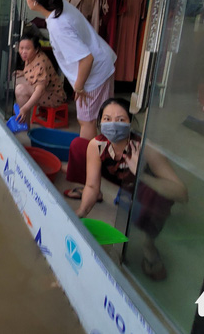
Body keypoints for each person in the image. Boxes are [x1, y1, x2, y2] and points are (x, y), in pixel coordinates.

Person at [69, 98, 188, 280]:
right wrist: (82, 212)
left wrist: (141, 174)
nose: (113, 125)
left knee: (156, 197)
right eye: (107, 119)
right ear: (100, 122)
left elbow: (181, 194)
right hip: (118, 179)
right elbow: (92, 184)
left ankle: (149, 244)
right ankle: (107, 195)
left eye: (120, 119)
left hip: (144, 189)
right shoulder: (98, 144)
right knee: (78, 146)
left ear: (130, 123)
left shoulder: (146, 148)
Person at [26, 0, 116, 139]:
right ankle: (103, 155)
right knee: (102, 118)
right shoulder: (60, 6)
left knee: (86, 120)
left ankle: (86, 160)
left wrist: (79, 87)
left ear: (35, 2)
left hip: (94, 72)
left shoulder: (58, 24)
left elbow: (87, 59)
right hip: (101, 63)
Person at [14, 32, 66, 124]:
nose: (23, 52)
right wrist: (23, 72)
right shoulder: (30, 57)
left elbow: (40, 91)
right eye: (21, 48)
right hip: (43, 89)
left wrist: (25, 108)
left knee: (20, 90)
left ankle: (24, 123)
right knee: (16, 79)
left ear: (36, 50)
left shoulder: (41, 63)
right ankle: (21, 113)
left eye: (28, 48)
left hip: (53, 95)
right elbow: (33, 72)